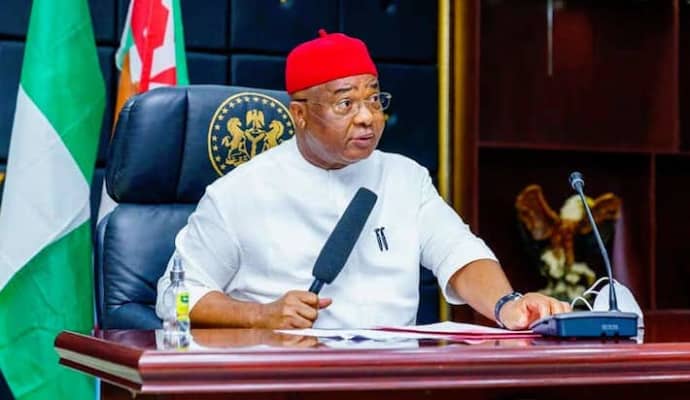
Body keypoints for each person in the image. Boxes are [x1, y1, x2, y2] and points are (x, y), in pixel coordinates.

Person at [155, 30, 570, 330]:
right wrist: (259, 315)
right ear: (299, 115)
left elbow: (458, 253)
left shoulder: (405, 177)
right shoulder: (238, 193)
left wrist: (507, 304)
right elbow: (175, 297)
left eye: (374, 99)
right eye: (345, 104)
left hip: (389, 376)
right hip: (287, 379)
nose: (367, 117)